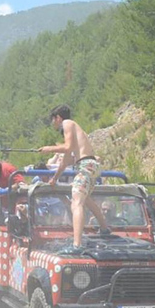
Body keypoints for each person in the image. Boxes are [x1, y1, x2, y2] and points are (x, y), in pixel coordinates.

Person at [38, 104, 109, 251]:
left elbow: (68, 147)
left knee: (76, 202)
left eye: (53, 120)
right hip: (90, 166)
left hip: (85, 166)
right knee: (85, 199)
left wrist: (48, 149)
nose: (53, 124)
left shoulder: (67, 123)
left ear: (57, 118)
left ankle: (77, 244)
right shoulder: (74, 130)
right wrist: (55, 179)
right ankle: (104, 228)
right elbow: (65, 161)